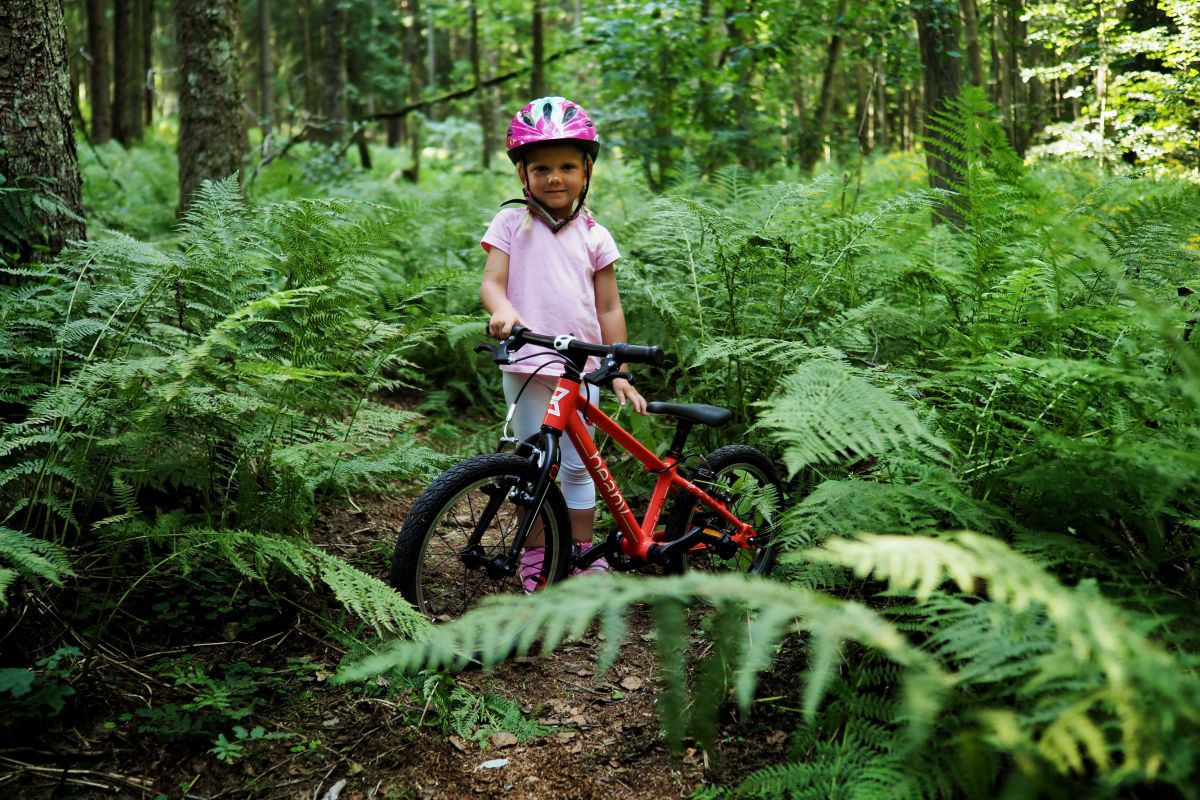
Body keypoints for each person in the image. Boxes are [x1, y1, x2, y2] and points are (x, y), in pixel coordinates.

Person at [480, 96, 647, 593]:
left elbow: (609, 308)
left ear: (587, 169)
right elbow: (492, 282)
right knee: (531, 466)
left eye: (568, 166)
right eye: (542, 168)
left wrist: (616, 368)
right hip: (528, 366)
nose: (555, 178)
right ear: (523, 176)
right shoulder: (511, 224)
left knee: (579, 467)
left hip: (581, 370)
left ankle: (579, 552)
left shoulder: (595, 235)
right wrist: (503, 309)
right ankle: (535, 553)